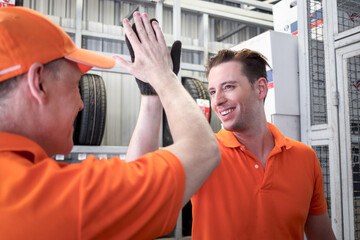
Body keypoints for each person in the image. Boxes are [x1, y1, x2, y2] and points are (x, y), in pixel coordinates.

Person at [0, 7, 220, 240]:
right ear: (39, 83)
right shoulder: (49, 200)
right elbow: (203, 151)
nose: (81, 104)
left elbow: (131, 197)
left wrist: (151, 96)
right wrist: (163, 76)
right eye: (76, 86)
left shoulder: (20, 186)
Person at [126, 48, 337, 239]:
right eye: (213, 92)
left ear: (260, 89)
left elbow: (322, 235)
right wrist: (151, 94)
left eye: (228, 87)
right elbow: (138, 193)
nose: (217, 101)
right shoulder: (205, 154)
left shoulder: (304, 157)